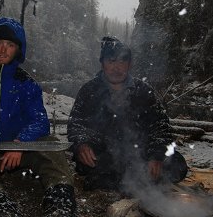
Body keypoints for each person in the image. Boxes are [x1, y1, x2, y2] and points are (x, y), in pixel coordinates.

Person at [0, 17, 85, 217]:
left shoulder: (26, 83)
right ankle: (1, 208)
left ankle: (60, 206)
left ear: (18, 50)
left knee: (51, 144)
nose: (4, 49)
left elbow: (40, 120)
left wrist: (20, 144)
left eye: (11, 45)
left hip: (20, 150)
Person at [67, 36, 187, 192]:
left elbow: (161, 127)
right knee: (91, 164)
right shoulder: (89, 91)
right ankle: (132, 180)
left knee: (178, 165)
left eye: (122, 61)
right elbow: (76, 123)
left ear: (129, 64)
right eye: (111, 61)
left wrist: (156, 155)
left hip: (140, 152)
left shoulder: (144, 91)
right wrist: (82, 144)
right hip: (104, 153)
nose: (117, 68)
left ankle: (125, 179)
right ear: (102, 63)